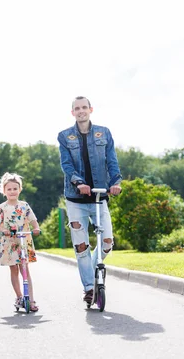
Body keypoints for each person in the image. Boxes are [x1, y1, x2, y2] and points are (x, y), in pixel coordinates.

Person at [57, 96, 122, 305]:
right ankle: (88, 288)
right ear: (72, 112)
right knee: (81, 246)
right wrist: (79, 183)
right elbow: (66, 165)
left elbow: (111, 160)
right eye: (77, 108)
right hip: (76, 198)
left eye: (84, 107)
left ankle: (94, 270)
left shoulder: (104, 133)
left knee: (107, 243)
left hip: (99, 196)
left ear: (91, 109)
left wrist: (116, 182)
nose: (81, 111)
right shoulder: (65, 136)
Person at [0, 172, 41, 311]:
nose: (12, 191)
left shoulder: (24, 205)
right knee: (13, 269)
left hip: (23, 241)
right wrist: (4, 230)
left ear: (19, 189)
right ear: (4, 191)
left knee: (25, 269)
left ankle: (31, 300)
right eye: (9, 189)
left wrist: (36, 227)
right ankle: (20, 296)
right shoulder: (2, 207)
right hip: (9, 242)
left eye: (15, 188)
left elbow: (32, 219)